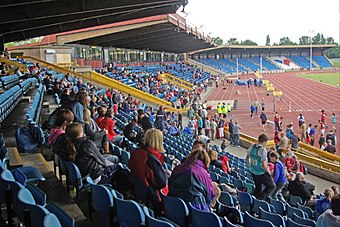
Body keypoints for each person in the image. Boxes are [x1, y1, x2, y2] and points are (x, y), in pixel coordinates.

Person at [169, 141, 217, 211]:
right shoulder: (204, 173)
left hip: (173, 205)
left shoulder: (179, 167)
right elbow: (210, 194)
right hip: (195, 209)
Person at [128, 129, 168, 214]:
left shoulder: (137, 151)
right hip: (152, 196)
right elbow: (161, 183)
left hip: (139, 190)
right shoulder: (151, 159)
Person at [246, 134, 275, 200]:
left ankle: (254, 199)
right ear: (265, 141)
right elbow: (264, 164)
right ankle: (260, 198)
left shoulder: (252, 146)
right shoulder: (262, 150)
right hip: (261, 172)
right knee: (271, 186)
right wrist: (269, 172)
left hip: (253, 171)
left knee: (258, 186)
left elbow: (247, 158)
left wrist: (250, 166)